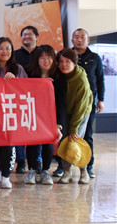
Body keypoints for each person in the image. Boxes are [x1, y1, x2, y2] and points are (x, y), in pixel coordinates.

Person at [0, 37, 27, 189]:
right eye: (1, 48)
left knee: (9, 144)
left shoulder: (18, 69)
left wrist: (15, 81)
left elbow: (27, 89)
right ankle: (1, 170)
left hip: (12, 114)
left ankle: (6, 176)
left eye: (8, 48)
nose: (5, 51)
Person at [54, 48, 93, 184]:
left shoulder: (81, 79)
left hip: (81, 112)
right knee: (64, 141)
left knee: (76, 140)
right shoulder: (58, 76)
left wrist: (74, 128)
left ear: (75, 63)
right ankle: (66, 171)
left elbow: (80, 107)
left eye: (68, 62)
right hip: (65, 111)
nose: (64, 65)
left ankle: (84, 171)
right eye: (61, 61)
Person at [25, 45, 60, 185]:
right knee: (32, 142)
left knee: (48, 142)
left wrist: (58, 124)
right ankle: (32, 170)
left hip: (50, 115)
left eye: (49, 57)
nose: (46, 61)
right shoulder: (29, 72)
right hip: (33, 113)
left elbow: (61, 101)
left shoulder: (59, 76)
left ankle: (45, 171)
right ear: (37, 59)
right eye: (42, 58)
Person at [72, 28, 105, 179]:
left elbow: (100, 79)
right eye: (76, 37)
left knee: (87, 135)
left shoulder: (94, 58)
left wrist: (101, 100)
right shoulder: (66, 56)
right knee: (66, 133)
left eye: (82, 37)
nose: (79, 40)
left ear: (88, 40)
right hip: (69, 101)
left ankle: (88, 166)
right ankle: (62, 166)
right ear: (72, 40)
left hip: (88, 103)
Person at [13, 25, 39, 173]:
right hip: (19, 99)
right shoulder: (15, 55)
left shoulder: (42, 53)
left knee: (36, 130)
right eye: (24, 35)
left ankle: (36, 162)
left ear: (36, 37)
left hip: (38, 98)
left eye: (30, 34)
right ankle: (21, 162)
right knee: (20, 130)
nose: (27, 37)